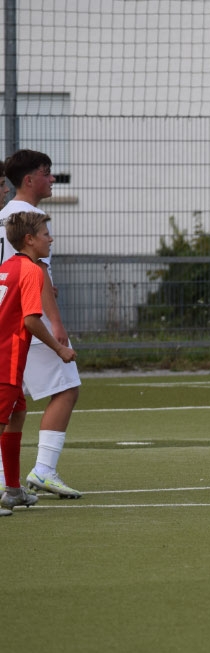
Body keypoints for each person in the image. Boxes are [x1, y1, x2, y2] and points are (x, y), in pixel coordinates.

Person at [0, 150, 83, 498]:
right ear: (29, 179)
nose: (52, 179)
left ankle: (8, 482)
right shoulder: (29, 218)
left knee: (13, 407)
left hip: (7, 322)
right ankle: (43, 470)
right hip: (29, 323)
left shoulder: (4, 215)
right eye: (46, 173)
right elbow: (37, 273)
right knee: (67, 388)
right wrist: (57, 326)